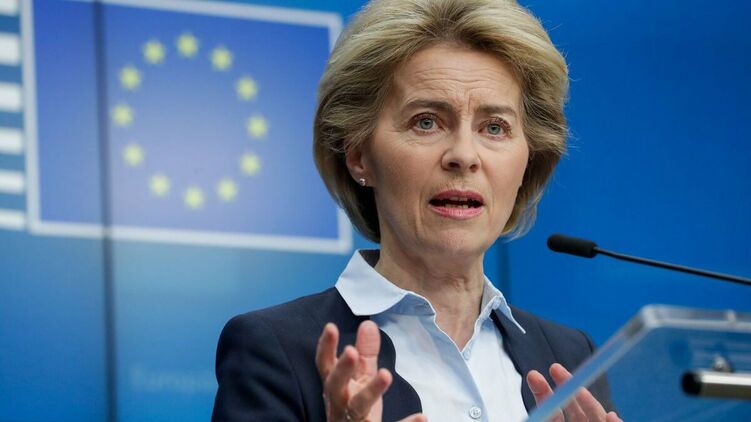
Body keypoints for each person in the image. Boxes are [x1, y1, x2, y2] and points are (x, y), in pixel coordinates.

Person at [212, 0, 621, 421]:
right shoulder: (277, 349)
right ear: (358, 155)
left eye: (495, 127)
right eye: (426, 122)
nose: (464, 155)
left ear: (527, 161)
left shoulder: (571, 356)